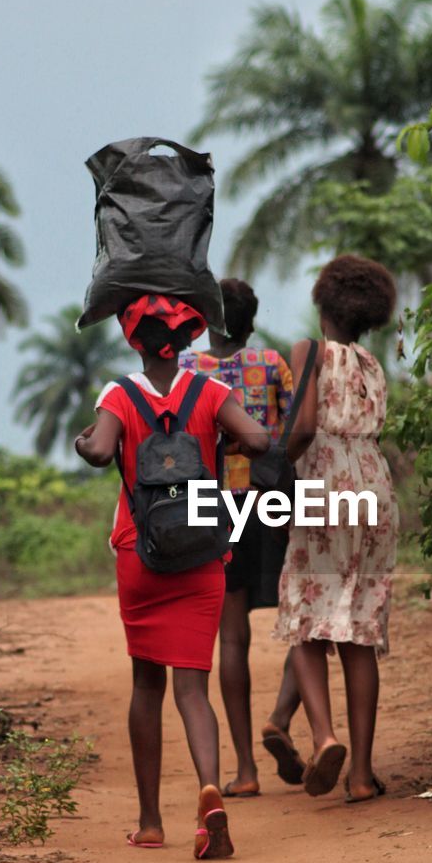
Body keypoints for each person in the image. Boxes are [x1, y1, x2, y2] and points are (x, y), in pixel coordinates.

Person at [74, 293, 269, 858]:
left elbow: (100, 449)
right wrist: (223, 439)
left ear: (134, 342)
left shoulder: (119, 394)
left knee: (146, 683)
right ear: (187, 342)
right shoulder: (210, 392)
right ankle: (210, 795)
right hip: (203, 554)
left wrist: (86, 442)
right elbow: (257, 440)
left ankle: (151, 821)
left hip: (142, 553)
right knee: (193, 687)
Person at [274, 255, 399, 803]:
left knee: (307, 618)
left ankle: (325, 737)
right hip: (375, 487)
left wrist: (273, 463)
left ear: (322, 304)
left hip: (325, 483)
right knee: (360, 629)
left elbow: (303, 426)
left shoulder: (309, 351)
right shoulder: (373, 364)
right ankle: (363, 776)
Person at [180, 278, 305, 797]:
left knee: (232, 638)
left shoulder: (189, 370)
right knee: (306, 620)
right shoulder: (273, 364)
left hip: (216, 507)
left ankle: (247, 771)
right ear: (251, 322)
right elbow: (299, 426)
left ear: (210, 321)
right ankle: (285, 718)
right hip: (273, 499)